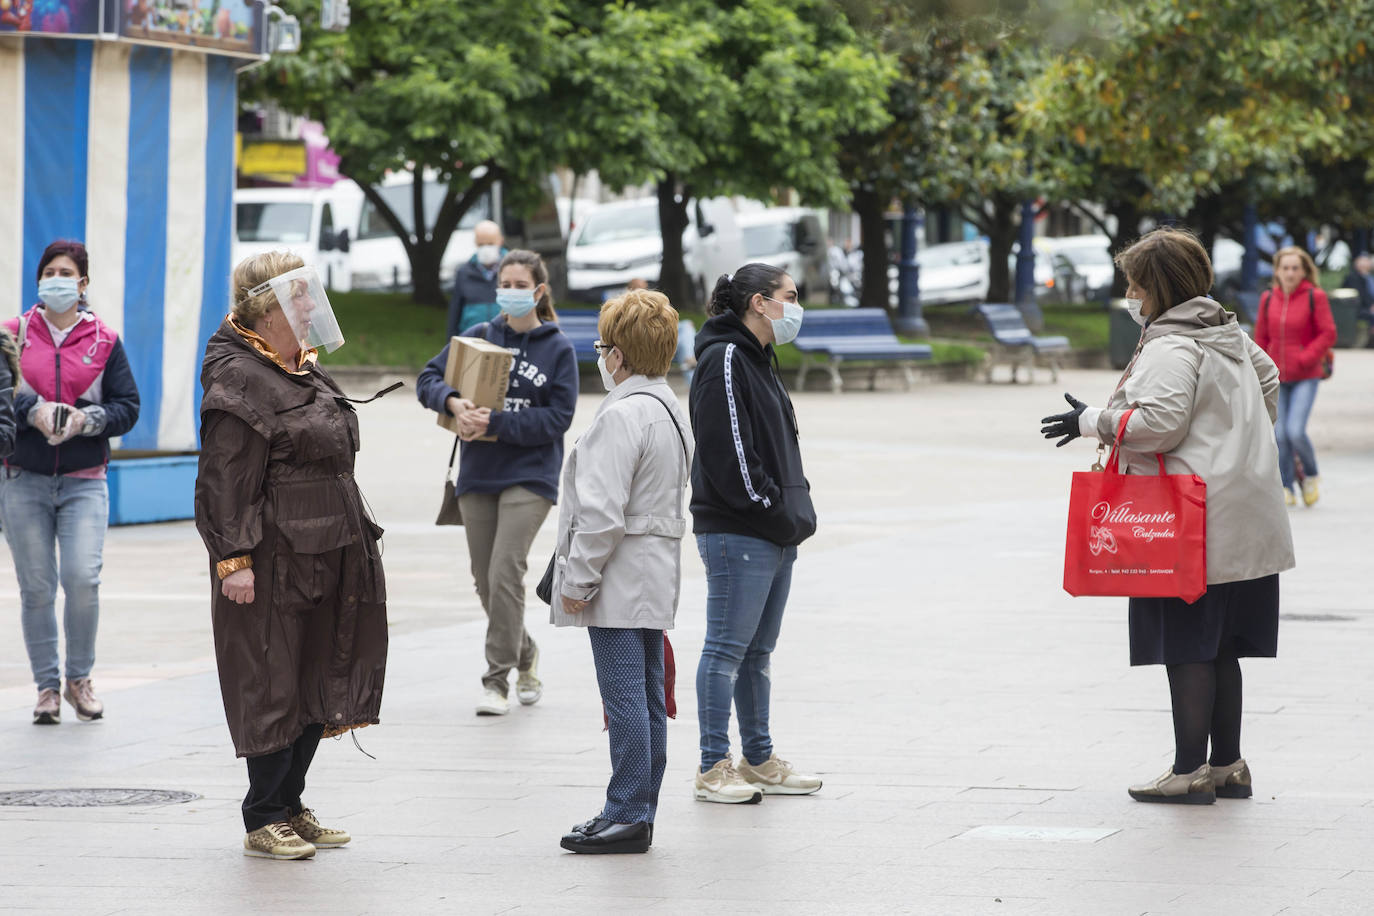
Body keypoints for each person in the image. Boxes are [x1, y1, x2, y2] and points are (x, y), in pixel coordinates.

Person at [1039, 227, 1295, 805]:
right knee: (1223, 644)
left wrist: (1092, 421)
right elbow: (1270, 380)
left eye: (1134, 285)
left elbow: (1160, 423)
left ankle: (1188, 772)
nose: (1131, 296)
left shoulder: (1170, 345)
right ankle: (1228, 764)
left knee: (1186, 645)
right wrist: (1240, 446)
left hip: (1190, 524)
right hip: (1241, 514)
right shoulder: (1226, 332)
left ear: (1156, 289)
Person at [195, 251, 390, 860]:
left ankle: (290, 803)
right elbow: (226, 480)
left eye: (310, 297)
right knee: (272, 679)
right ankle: (263, 815)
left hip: (330, 550)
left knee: (315, 674)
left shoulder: (299, 367)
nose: (311, 308)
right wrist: (236, 561)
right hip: (275, 560)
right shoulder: (240, 377)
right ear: (267, 308)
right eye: (299, 298)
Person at [552, 289, 692, 855]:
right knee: (648, 697)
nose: (601, 356)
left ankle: (628, 809)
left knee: (626, 698)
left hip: (618, 572)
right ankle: (636, 805)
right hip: (654, 568)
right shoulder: (667, 405)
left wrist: (578, 580)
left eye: (604, 346)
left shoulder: (623, 414)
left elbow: (602, 512)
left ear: (620, 354)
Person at [417, 249, 578, 716]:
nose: (509, 291)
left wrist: (499, 421)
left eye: (519, 284)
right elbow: (428, 377)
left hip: (530, 476)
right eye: (504, 284)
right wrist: (452, 403)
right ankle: (525, 652)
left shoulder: (558, 348)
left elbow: (559, 418)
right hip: (478, 474)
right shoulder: (478, 337)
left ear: (539, 291)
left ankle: (496, 680)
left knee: (506, 571)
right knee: (485, 580)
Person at [687, 262, 822, 804]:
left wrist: (792, 514)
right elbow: (728, 449)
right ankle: (712, 765)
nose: (796, 306)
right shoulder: (723, 357)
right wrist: (771, 508)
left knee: (757, 652)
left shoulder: (759, 357)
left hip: (773, 529)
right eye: (789, 296)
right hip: (738, 529)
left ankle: (759, 758)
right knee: (725, 649)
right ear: (759, 303)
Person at [1, 240, 140, 726]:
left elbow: (129, 406)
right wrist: (31, 410)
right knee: (36, 587)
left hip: (84, 480)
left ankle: (79, 678)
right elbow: (3, 395)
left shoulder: (105, 340)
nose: (55, 280)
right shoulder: (13, 334)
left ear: (83, 284)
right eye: (48, 272)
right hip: (23, 477)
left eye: (66, 273)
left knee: (82, 579)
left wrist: (88, 420)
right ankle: (46, 688)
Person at [1253, 246, 1336, 507]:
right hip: (1277, 377)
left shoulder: (1315, 296)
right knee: (1279, 435)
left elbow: (1328, 333)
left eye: (1295, 268)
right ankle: (1287, 486)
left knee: (1295, 431)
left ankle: (1310, 475)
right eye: (1285, 268)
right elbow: (1261, 339)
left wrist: (1306, 357)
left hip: (1306, 375)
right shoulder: (1268, 299)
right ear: (1277, 270)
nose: (1290, 273)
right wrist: (1261, 368)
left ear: (1304, 271)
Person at [447, 220, 506, 339]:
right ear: (475, 242)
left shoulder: (514, 269)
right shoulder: (463, 272)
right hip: (472, 340)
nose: (486, 248)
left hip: (506, 340)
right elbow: (455, 313)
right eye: (481, 244)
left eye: (490, 243)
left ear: (500, 241)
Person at [1339, 252, 1374, 345]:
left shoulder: (1370, 278)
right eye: (1362, 263)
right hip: (1358, 308)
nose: (1365, 265)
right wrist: (1370, 306)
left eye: (1366, 262)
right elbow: (1359, 296)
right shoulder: (1353, 278)